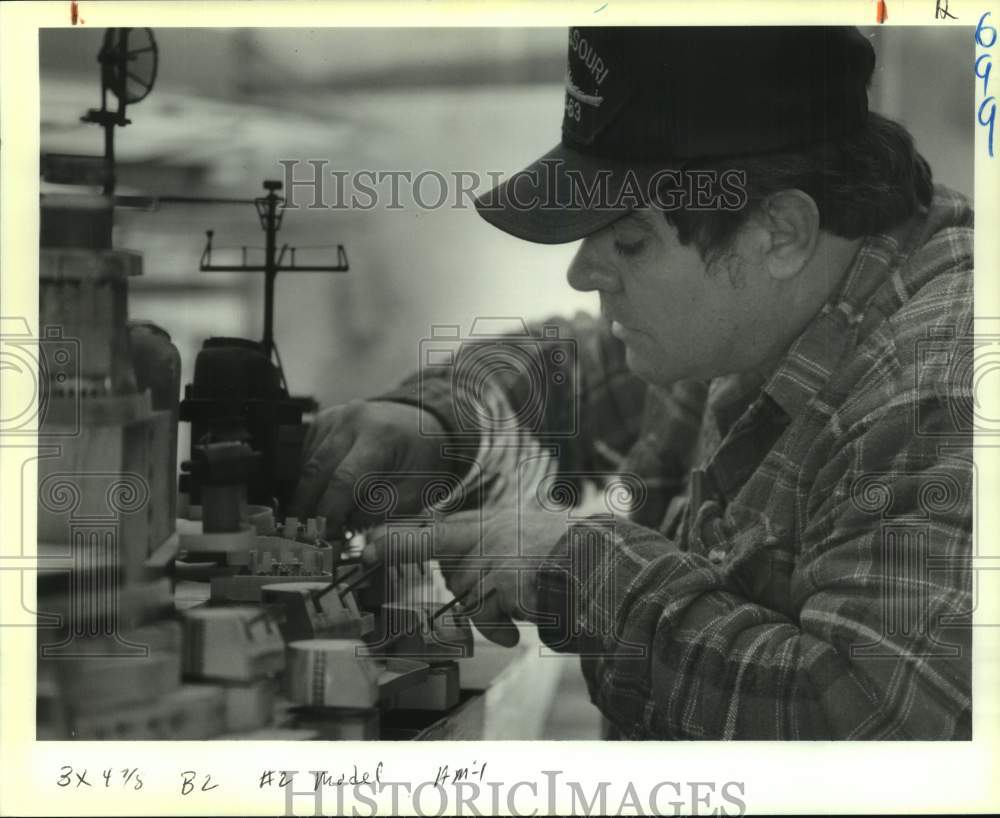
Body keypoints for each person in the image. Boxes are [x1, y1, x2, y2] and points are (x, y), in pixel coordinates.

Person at [293, 26, 973, 739]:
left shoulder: (941, 392)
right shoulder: (765, 310)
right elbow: (580, 370)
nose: (582, 273)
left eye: (629, 242)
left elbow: (877, 730)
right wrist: (436, 426)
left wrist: (581, 572)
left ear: (780, 232)